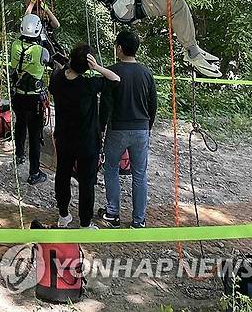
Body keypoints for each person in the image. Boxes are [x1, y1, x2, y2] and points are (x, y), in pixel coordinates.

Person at [49, 44, 120, 229]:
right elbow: (115, 79)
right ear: (88, 65)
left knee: (62, 175)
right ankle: (85, 222)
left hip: (64, 138)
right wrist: (97, 67)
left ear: (71, 58)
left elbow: (57, 80)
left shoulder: (57, 79)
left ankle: (63, 214)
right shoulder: (89, 85)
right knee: (86, 182)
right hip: (87, 142)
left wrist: (66, 65)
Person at [99, 29, 157, 228]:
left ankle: (112, 213)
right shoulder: (146, 73)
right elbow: (153, 104)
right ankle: (139, 220)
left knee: (111, 169)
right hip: (141, 129)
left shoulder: (112, 71)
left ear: (120, 48)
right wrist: (147, 126)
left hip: (117, 128)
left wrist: (100, 127)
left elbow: (105, 103)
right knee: (140, 174)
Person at [9, 13, 50, 185]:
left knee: (20, 124)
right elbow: (49, 61)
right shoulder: (42, 50)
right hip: (34, 99)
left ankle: (19, 155)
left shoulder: (14, 45)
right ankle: (34, 172)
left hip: (18, 95)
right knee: (34, 135)